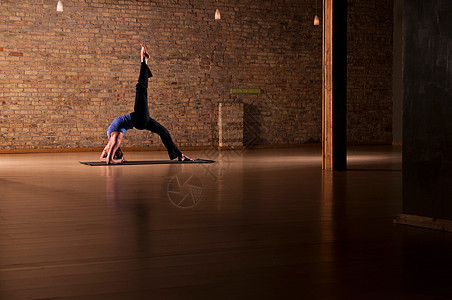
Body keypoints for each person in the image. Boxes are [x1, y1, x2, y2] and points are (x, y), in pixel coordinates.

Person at [100, 43, 193, 164]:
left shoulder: (109, 145)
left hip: (141, 120)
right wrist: (118, 161)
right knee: (141, 88)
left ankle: (179, 155)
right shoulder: (115, 139)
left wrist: (112, 157)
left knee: (164, 132)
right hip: (137, 118)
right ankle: (142, 60)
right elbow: (108, 161)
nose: (109, 150)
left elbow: (102, 158)